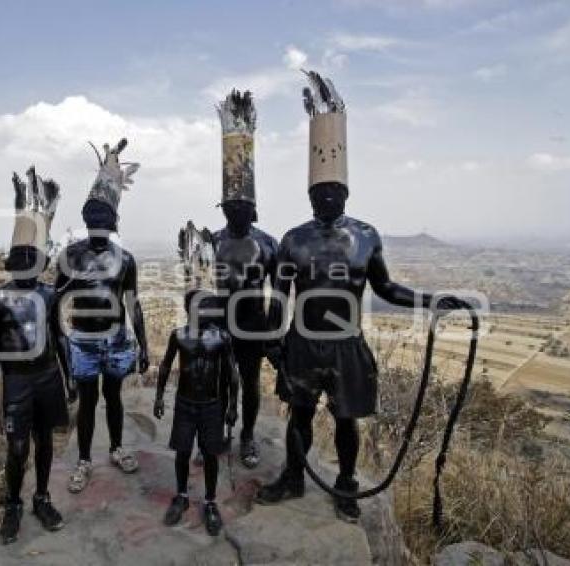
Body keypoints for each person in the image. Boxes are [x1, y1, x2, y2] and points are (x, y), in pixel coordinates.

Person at [255, 72, 469, 522]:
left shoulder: (366, 237)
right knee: (299, 416)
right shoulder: (293, 239)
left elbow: (387, 288)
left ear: (346, 191)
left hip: (347, 344)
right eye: (318, 190)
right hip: (302, 343)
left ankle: (347, 484)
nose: (325, 196)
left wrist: (434, 300)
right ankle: (294, 476)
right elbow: (278, 293)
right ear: (308, 192)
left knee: (346, 419)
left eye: (332, 190)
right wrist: (272, 340)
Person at [56, 139, 151, 494]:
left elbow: (133, 303)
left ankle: (115, 448)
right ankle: (83, 459)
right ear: (85, 216)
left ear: (114, 220)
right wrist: (60, 341)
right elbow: (56, 301)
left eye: (104, 215)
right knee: (87, 401)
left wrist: (143, 345)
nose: (98, 219)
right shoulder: (71, 255)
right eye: (92, 213)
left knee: (113, 397)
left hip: (115, 338)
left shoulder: (124, 259)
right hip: (81, 338)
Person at [0, 167, 70, 544]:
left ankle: (42, 497)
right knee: (17, 447)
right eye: (18, 259)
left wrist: (69, 379)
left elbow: (60, 337)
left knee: (45, 440)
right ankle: (14, 504)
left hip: (48, 375)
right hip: (16, 380)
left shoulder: (49, 295)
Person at [213, 89, 279, 469]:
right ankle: (224, 426)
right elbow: (200, 286)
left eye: (243, 206)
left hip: (253, 326)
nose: (237, 210)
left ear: (253, 209)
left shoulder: (268, 244)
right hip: (221, 323)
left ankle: (248, 435)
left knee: (250, 383)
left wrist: (272, 330)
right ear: (223, 207)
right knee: (224, 380)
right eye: (231, 205)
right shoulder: (213, 242)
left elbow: (278, 293)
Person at [154, 290, 239, 536]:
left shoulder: (222, 337)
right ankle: (181, 496)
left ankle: (210, 501)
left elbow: (232, 373)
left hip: (211, 405)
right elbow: (166, 365)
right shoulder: (178, 336)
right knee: (182, 451)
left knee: (210, 454)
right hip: (185, 403)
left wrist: (232, 405)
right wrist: (159, 396)